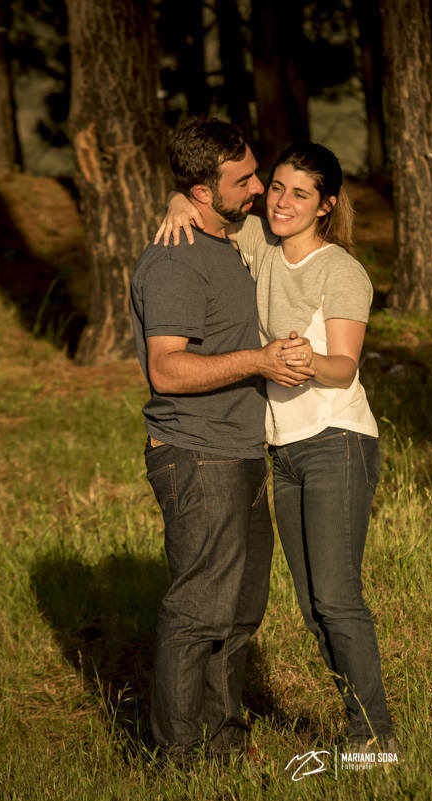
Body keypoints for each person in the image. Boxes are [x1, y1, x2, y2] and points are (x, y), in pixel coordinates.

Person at [155, 141, 397, 753]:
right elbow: (211, 207)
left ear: (326, 206)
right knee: (314, 607)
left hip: (336, 442)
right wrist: (180, 199)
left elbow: (343, 368)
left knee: (338, 599)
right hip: (282, 452)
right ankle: (360, 731)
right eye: (279, 187)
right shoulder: (260, 244)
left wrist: (301, 359)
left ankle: (375, 740)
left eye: (301, 193)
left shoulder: (340, 270)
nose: (282, 201)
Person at [129, 117, 315, 764]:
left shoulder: (222, 233)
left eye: (256, 172)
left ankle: (224, 743)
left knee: (239, 607)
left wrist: (184, 196)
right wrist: (260, 362)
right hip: (196, 453)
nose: (260, 189)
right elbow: (167, 370)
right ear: (203, 192)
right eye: (243, 180)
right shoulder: (177, 260)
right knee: (200, 607)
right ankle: (175, 755)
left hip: (237, 449)